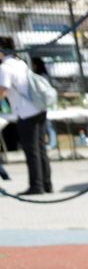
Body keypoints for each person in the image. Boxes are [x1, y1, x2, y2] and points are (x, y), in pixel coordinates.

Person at [0, 36, 53, 194]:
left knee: (31, 151)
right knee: (41, 148)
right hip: (38, 108)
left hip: (25, 112)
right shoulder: (20, 62)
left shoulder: (5, 68)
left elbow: (2, 90)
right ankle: (46, 184)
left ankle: (36, 186)